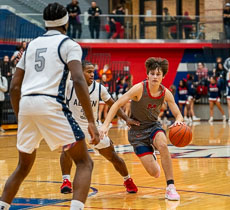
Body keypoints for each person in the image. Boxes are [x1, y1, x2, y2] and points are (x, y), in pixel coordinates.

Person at [0, 3, 100, 210]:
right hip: (50, 102)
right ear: (66, 21)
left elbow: (15, 86)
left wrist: (22, 116)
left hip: (27, 103)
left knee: (22, 167)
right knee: (84, 163)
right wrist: (91, 121)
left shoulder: (31, 46)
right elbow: (79, 80)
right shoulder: (69, 44)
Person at [99, 57, 183, 200]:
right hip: (137, 132)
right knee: (155, 173)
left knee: (163, 144)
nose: (155, 77)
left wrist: (179, 122)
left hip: (153, 127)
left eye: (158, 74)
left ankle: (170, 187)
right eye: (152, 73)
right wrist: (105, 125)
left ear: (163, 76)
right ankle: (152, 154)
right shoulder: (139, 88)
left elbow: (178, 115)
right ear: (148, 75)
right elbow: (116, 104)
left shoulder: (165, 93)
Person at [60, 61, 138, 194]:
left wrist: (126, 119)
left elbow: (113, 104)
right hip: (74, 126)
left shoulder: (99, 88)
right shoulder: (70, 86)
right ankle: (66, 181)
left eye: (93, 72)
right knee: (66, 149)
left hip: (94, 129)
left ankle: (128, 180)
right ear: (80, 72)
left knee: (112, 156)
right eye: (89, 71)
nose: (92, 74)